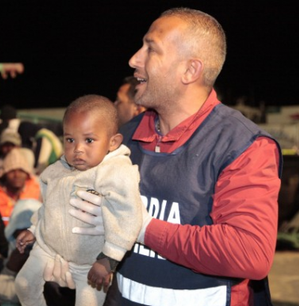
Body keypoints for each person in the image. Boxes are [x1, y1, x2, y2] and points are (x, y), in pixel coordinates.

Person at [66, 8, 282, 306]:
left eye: (150, 48)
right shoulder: (121, 139)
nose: (134, 60)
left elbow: (249, 253)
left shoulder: (242, 145)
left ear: (190, 71)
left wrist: (141, 227)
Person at [14, 95, 143, 306]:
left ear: (113, 142)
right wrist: (34, 228)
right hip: (49, 249)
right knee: (24, 284)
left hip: (90, 262)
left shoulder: (115, 172)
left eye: (89, 140)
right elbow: (49, 204)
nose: (78, 149)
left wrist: (109, 258)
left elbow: (128, 214)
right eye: (70, 139)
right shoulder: (57, 169)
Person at [0, 147, 40, 225]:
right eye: (12, 171)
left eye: (21, 171)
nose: (17, 175)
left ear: (27, 174)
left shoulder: (39, 192)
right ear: (4, 174)